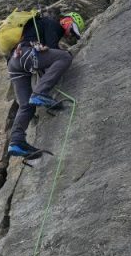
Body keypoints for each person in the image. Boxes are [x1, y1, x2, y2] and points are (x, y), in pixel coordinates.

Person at [7, 10, 85, 158]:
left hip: (14, 62)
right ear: (67, 21)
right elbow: (53, 50)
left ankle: (16, 141)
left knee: (26, 105)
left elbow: (45, 60)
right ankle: (40, 93)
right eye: (72, 31)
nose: (70, 35)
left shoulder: (41, 26)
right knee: (65, 57)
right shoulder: (52, 24)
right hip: (25, 54)